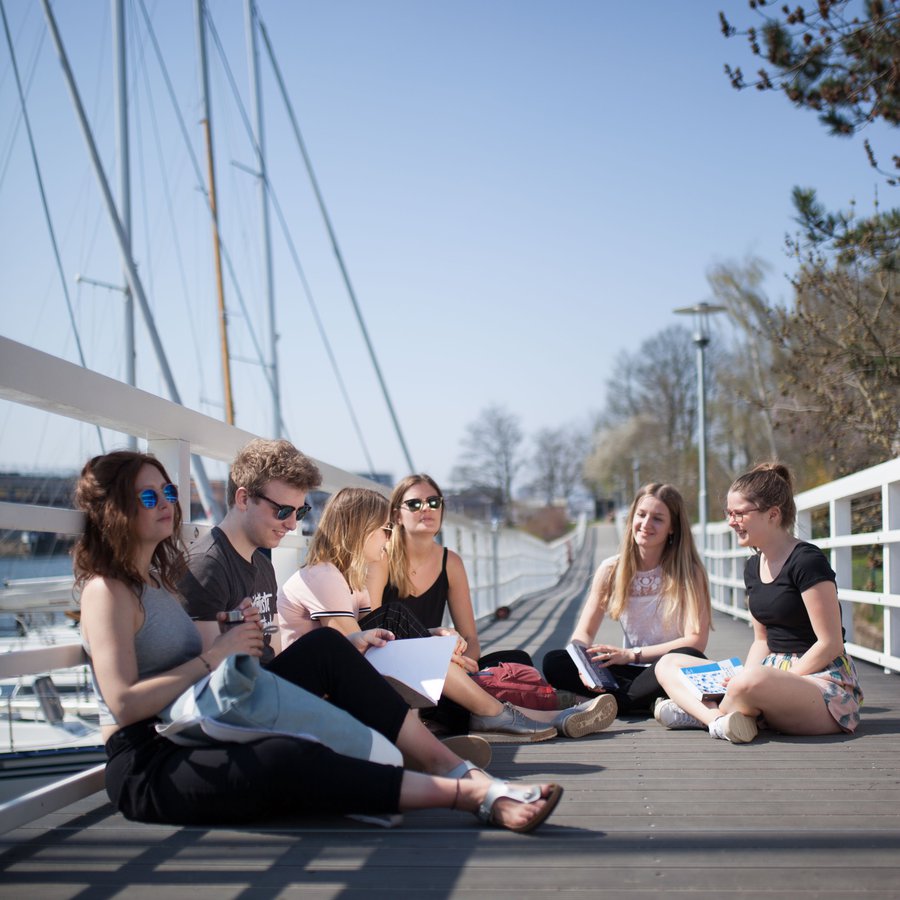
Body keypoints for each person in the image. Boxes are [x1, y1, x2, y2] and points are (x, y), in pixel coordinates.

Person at [74, 449, 563, 830]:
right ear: (114, 509)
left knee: (330, 647)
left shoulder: (158, 581)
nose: (166, 504)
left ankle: (454, 767)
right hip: (147, 760)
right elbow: (121, 704)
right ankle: (469, 795)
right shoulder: (106, 591)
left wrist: (227, 638)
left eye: (169, 491)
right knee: (287, 758)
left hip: (195, 725)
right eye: (148, 497)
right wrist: (216, 656)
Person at [278, 487, 617, 740]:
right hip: (318, 698)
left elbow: (369, 642)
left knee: (471, 674)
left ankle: (533, 715)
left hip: (349, 690)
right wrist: (432, 651)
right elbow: (353, 651)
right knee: (395, 619)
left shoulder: (352, 581)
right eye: (384, 529)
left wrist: (432, 639)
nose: (388, 537)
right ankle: (509, 714)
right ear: (358, 529)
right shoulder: (323, 575)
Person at [652, 462, 863, 743]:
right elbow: (761, 640)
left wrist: (761, 680)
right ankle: (718, 721)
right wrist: (741, 678)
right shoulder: (752, 567)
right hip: (767, 675)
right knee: (668, 663)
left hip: (819, 681)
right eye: (729, 513)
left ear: (773, 515)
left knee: (751, 681)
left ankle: (700, 713)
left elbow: (830, 643)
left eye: (739, 513)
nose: (731, 521)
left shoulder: (807, 561)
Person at [542, 483, 711, 716]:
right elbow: (583, 634)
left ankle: (604, 702)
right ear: (632, 517)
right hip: (628, 671)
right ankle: (653, 701)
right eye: (641, 515)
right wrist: (583, 665)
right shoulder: (611, 570)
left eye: (658, 519)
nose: (646, 524)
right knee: (556, 661)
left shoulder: (689, 572)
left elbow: (696, 641)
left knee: (693, 657)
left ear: (672, 527)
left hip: (667, 669)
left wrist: (633, 654)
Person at [366, 474, 532, 672]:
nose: (427, 508)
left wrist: (462, 666)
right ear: (397, 516)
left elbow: (470, 639)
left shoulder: (450, 562)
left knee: (519, 659)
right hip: (397, 665)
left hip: (441, 665)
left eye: (434, 502)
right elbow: (372, 630)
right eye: (414, 504)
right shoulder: (382, 559)